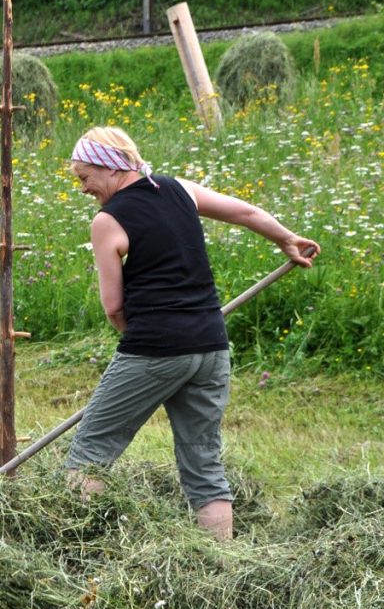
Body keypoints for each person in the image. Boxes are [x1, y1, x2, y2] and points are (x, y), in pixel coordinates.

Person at [64, 126, 319, 541]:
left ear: (108, 167)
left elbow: (113, 307)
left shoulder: (108, 220)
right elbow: (247, 213)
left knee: (90, 451)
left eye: (84, 178)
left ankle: (72, 549)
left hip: (154, 346)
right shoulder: (178, 188)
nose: (83, 188)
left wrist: (147, 347)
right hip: (211, 345)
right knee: (204, 462)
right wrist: (286, 239)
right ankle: (221, 563)